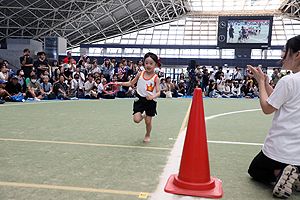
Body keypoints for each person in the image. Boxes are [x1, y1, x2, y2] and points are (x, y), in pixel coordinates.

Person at [247, 35, 300, 198]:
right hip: (298, 154)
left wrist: (260, 83)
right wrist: (266, 84)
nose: (281, 56)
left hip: (281, 150)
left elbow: (267, 107)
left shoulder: (288, 81)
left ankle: (281, 173)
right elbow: (280, 98)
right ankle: (295, 173)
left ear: (297, 55)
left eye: (285, 52)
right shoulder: (290, 81)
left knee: (255, 170)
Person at [116, 52, 161, 142]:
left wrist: (152, 97)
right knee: (136, 120)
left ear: (155, 65)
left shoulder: (156, 78)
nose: (148, 65)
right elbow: (131, 83)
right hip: (140, 100)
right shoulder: (139, 74)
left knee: (148, 122)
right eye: (146, 63)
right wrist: (120, 83)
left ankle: (147, 135)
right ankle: (143, 116)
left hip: (150, 102)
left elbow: (158, 92)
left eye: (151, 63)